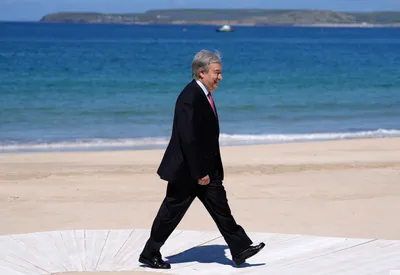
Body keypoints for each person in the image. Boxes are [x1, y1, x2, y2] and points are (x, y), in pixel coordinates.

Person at [139, 49, 265, 269]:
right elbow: (187, 139)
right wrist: (200, 173)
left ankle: (240, 248)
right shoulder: (189, 96)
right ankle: (150, 253)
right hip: (188, 171)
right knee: (171, 213)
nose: (220, 77)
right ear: (201, 72)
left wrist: (210, 169)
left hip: (207, 168)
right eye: (217, 72)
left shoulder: (203, 95)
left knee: (221, 208)